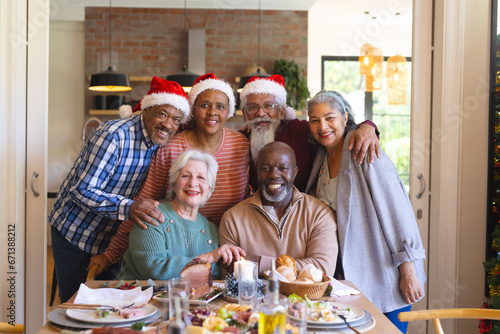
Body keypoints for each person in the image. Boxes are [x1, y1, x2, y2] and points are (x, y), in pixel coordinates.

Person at [88, 73, 249, 276]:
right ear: (193, 110)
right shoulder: (171, 147)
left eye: (220, 106)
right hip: (170, 235)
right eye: (204, 105)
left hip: (219, 238)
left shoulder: (242, 145)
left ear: (229, 111)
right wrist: (111, 254)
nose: (212, 113)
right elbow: (144, 202)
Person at [49, 77, 191, 302]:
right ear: (146, 110)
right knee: (76, 305)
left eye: (176, 119)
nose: (168, 124)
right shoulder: (113, 136)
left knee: (110, 305)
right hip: (76, 236)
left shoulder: (162, 145)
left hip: (113, 241)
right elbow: (82, 190)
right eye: (162, 114)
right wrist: (130, 207)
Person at [304, 90, 426, 333]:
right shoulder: (320, 157)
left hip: (383, 275)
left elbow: (397, 212)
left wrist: (408, 271)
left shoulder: (365, 150)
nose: (322, 126)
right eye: (315, 120)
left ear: (345, 117)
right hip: (345, 279)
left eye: (330, 118)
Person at [238, 74, 381, 193]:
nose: (260, 113)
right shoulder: (239, 140)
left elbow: (337, 130)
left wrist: (368, 127)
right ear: (244, 114)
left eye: (269, 106)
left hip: (304, 214)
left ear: (281, 112)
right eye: (252, 107)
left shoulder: (301, 130)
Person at [118, 150, 245, 280]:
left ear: (209, 190)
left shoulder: (211, 229)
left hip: (193, 300)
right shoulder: (152, 215)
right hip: (139, 297)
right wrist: (208, 257)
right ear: (173, 184)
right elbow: (154, 271)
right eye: (185, 176)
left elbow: (212, 280)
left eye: (201, 177)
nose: (192, 183)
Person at [219, 141, 338, 276]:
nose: (274, 175)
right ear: (256, 172)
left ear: (295, 173)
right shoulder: (233, 218)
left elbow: (322, 269)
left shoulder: (319, 213)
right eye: (265, 168)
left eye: (282, 168)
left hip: (304, 297)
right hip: (253, 297)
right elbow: (230, 274)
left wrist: (259, 263)